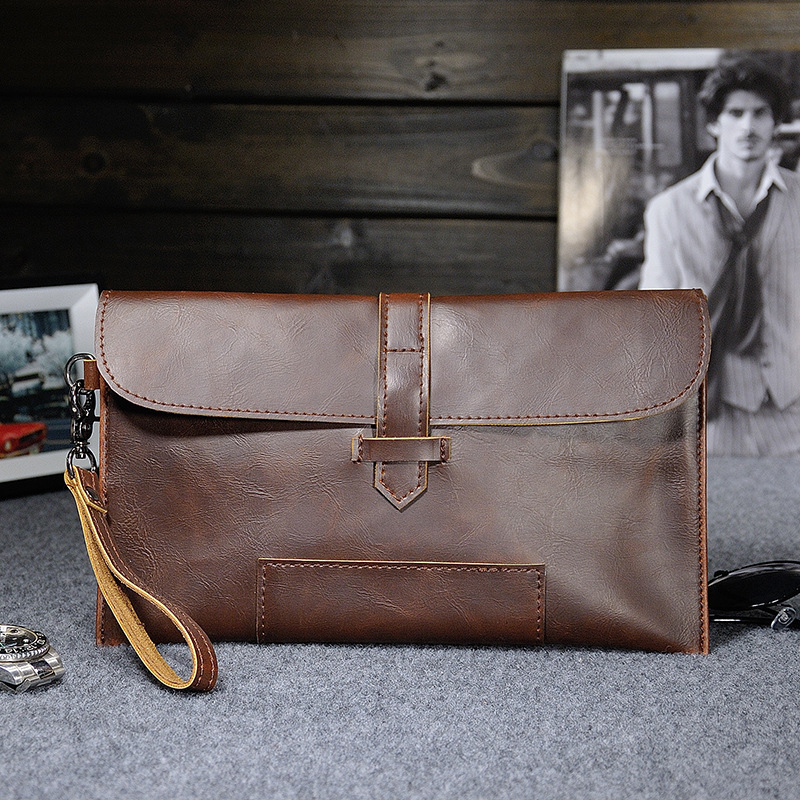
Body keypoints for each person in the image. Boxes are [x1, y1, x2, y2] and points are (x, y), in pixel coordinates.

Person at [639, 56, 800, 456]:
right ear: (714, 123)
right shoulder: (670, 210)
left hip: (792, 408)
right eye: (735, 113)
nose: (748, 127)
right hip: (710, 413)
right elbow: (655, 318)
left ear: (775, 123)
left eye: (760, 113)